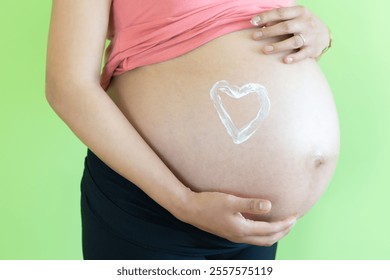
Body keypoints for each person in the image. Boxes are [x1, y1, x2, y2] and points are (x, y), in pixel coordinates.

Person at [46, 0, 338, 260]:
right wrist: (183, 202)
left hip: (258, 232)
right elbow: (68, 86)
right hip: (155, 211)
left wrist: (321, 35)